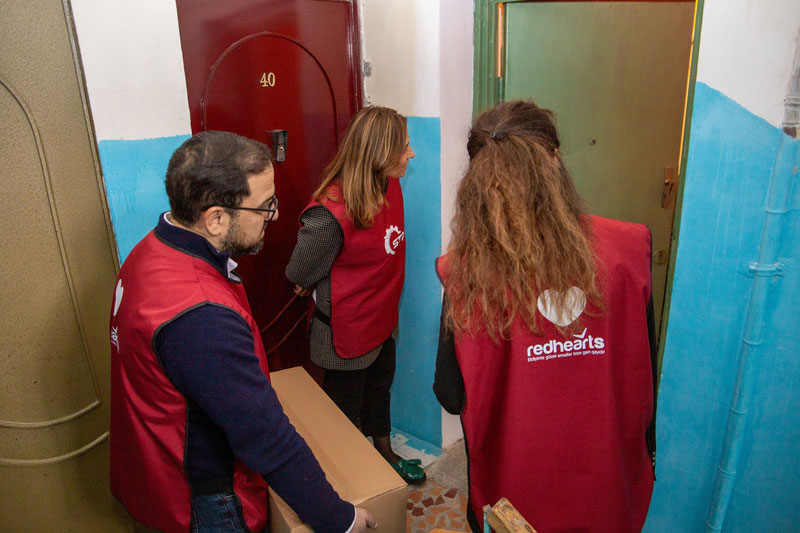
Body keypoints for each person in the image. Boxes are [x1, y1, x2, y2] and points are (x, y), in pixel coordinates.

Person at [109, 131, 376, 533]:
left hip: (153, 465)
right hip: (205, 497)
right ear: (216, 218)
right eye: (265, 206)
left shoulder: (152, 248)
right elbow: (265, 438)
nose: (275, 216)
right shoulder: (200, 315)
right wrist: (341, 520)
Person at [433, 100, 657, 532]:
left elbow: (450, 393)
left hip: (513, 497)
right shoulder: (628, 251)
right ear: (553, 160)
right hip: (606, 489)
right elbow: (643, 372)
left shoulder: (466, 272)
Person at [286, 106, 425, 484]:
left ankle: (384, 453)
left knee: (380, 391)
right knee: (342, 414)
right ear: (379, 152)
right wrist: (312, 277)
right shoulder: (330, 212)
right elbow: (298, 272)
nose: (411, 154)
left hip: (382, 318)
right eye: (404, 147)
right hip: (345, 331)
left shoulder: (388, 182)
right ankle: (347, 481)